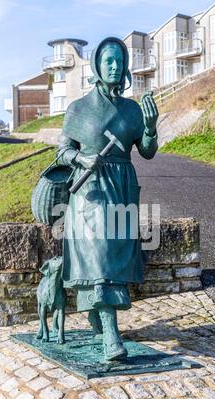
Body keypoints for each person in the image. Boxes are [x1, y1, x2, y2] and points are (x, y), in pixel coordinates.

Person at [56, 37, 159, 362]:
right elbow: (63, 151)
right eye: (108, 61)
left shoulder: (131, 110)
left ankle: (96, 315)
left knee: (117, 257)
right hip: (90, 192)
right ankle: (111, 335)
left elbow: (146, 151)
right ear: (97, 67)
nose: (115, 67)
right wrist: (81, 159)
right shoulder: (79, 108)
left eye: (119, 61)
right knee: (98, 256)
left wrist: (151, 128)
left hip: (122, 189)